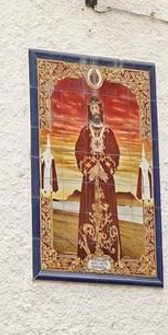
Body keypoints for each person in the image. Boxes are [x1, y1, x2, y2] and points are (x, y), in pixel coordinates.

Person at [74, 89, 123, 269]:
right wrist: (90, 167)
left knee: (107, 214)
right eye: (92, 107)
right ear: (89, 111)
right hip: (90, 181)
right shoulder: (84, 132)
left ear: (101, 110)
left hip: (105, 181)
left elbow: (115, 154)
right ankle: (87, 251)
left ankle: (110, 253)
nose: (94, 110)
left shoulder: (109, 133)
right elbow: (79, 152)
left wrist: (103, 168)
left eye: (97, 107)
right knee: (89, 214)